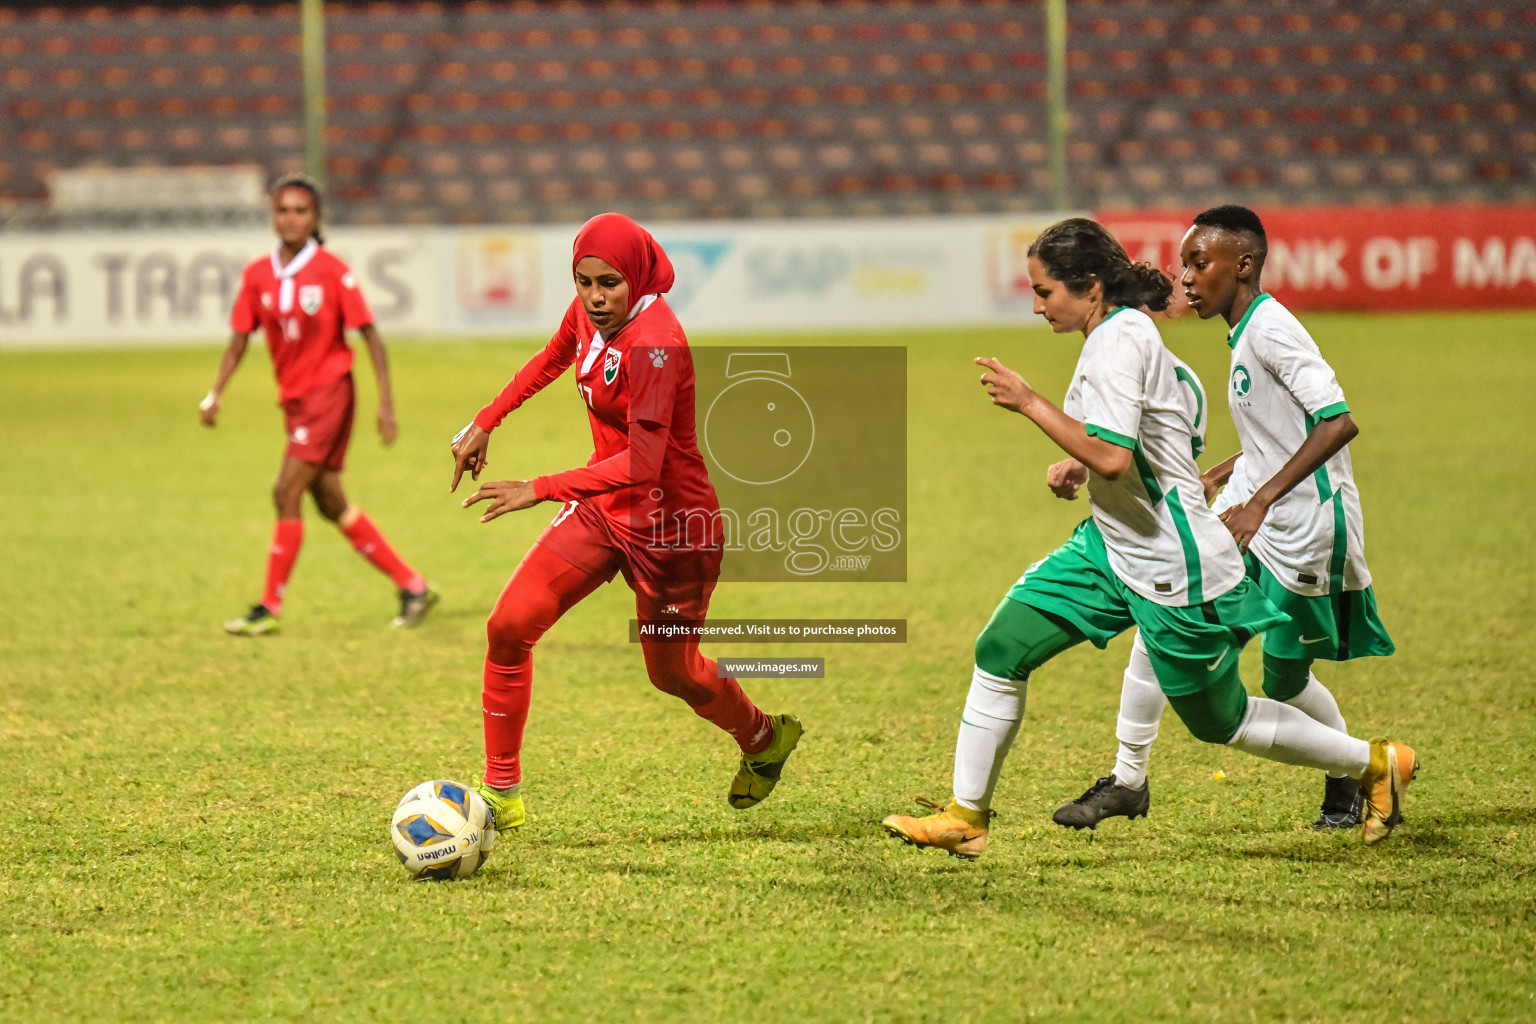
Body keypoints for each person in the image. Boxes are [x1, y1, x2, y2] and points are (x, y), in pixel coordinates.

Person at [881, 218, 1416, 860]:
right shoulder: (1118, 336)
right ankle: (966, 816)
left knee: (1223, 722)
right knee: (1002, 647)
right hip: (1110, 547)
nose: (1035, 304)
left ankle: (1375, 763)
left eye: (1045, 291)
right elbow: (1164, 423)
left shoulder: (1120, 340)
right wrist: (1078, 460)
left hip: (1172, 564)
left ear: (1091, 286)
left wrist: (1032, 404)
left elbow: (1114, 457)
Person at [448, 213, 801, 833]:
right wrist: (486, 419)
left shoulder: (657, 343)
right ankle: (501, 791)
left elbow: (645, 462)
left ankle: (763, 736)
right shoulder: (589, 312)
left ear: (636, 276)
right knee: (508, 626)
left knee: (673, 673)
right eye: (582, 281)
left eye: (608, 283)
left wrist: (540, 488)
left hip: (674, 533)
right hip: (604, 512)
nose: (594, 296)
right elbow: (552, 356)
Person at [1052, 205, 1396, 832]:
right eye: (1184, 264)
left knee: (1286, 680)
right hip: (1255, 519)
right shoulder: (1244, 334)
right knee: (1166, 616)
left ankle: (1358, 779)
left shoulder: (1272, 330)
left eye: (1199, 263)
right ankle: (1129, 777)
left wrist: (1260, 499)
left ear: (1243, 265)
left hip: (1307, 527)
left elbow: (1336, 421)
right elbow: (1276, 436)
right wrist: (1216, 479)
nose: (1186, 278)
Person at [202, 174, 436, 635]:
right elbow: (238, 339)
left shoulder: (331, 270)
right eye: (283, 211)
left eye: (300, 211)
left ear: (316, 218)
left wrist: (386, 405)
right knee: (329, 502)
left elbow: (370, 335)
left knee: (285, 491)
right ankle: (413, 586)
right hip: (293, 401)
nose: (291, 219)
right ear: (273, 217)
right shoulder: (257, 275)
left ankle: (268, 608)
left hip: (329, 394)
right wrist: (216, 393)